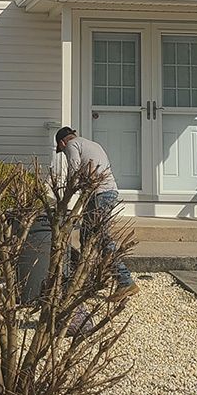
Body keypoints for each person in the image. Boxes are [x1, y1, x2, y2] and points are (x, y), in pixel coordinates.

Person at [54, 125, 137, 299]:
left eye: (61, 150)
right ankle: (89, 279)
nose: (63, 152)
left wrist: (66, 198)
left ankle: (125, 281)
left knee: (100, 236)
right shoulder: (92, 144)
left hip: (100, 194)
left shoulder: (71, 145)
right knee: (86, 236)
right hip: (108, 191)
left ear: (62, 143)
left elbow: (74, 170)